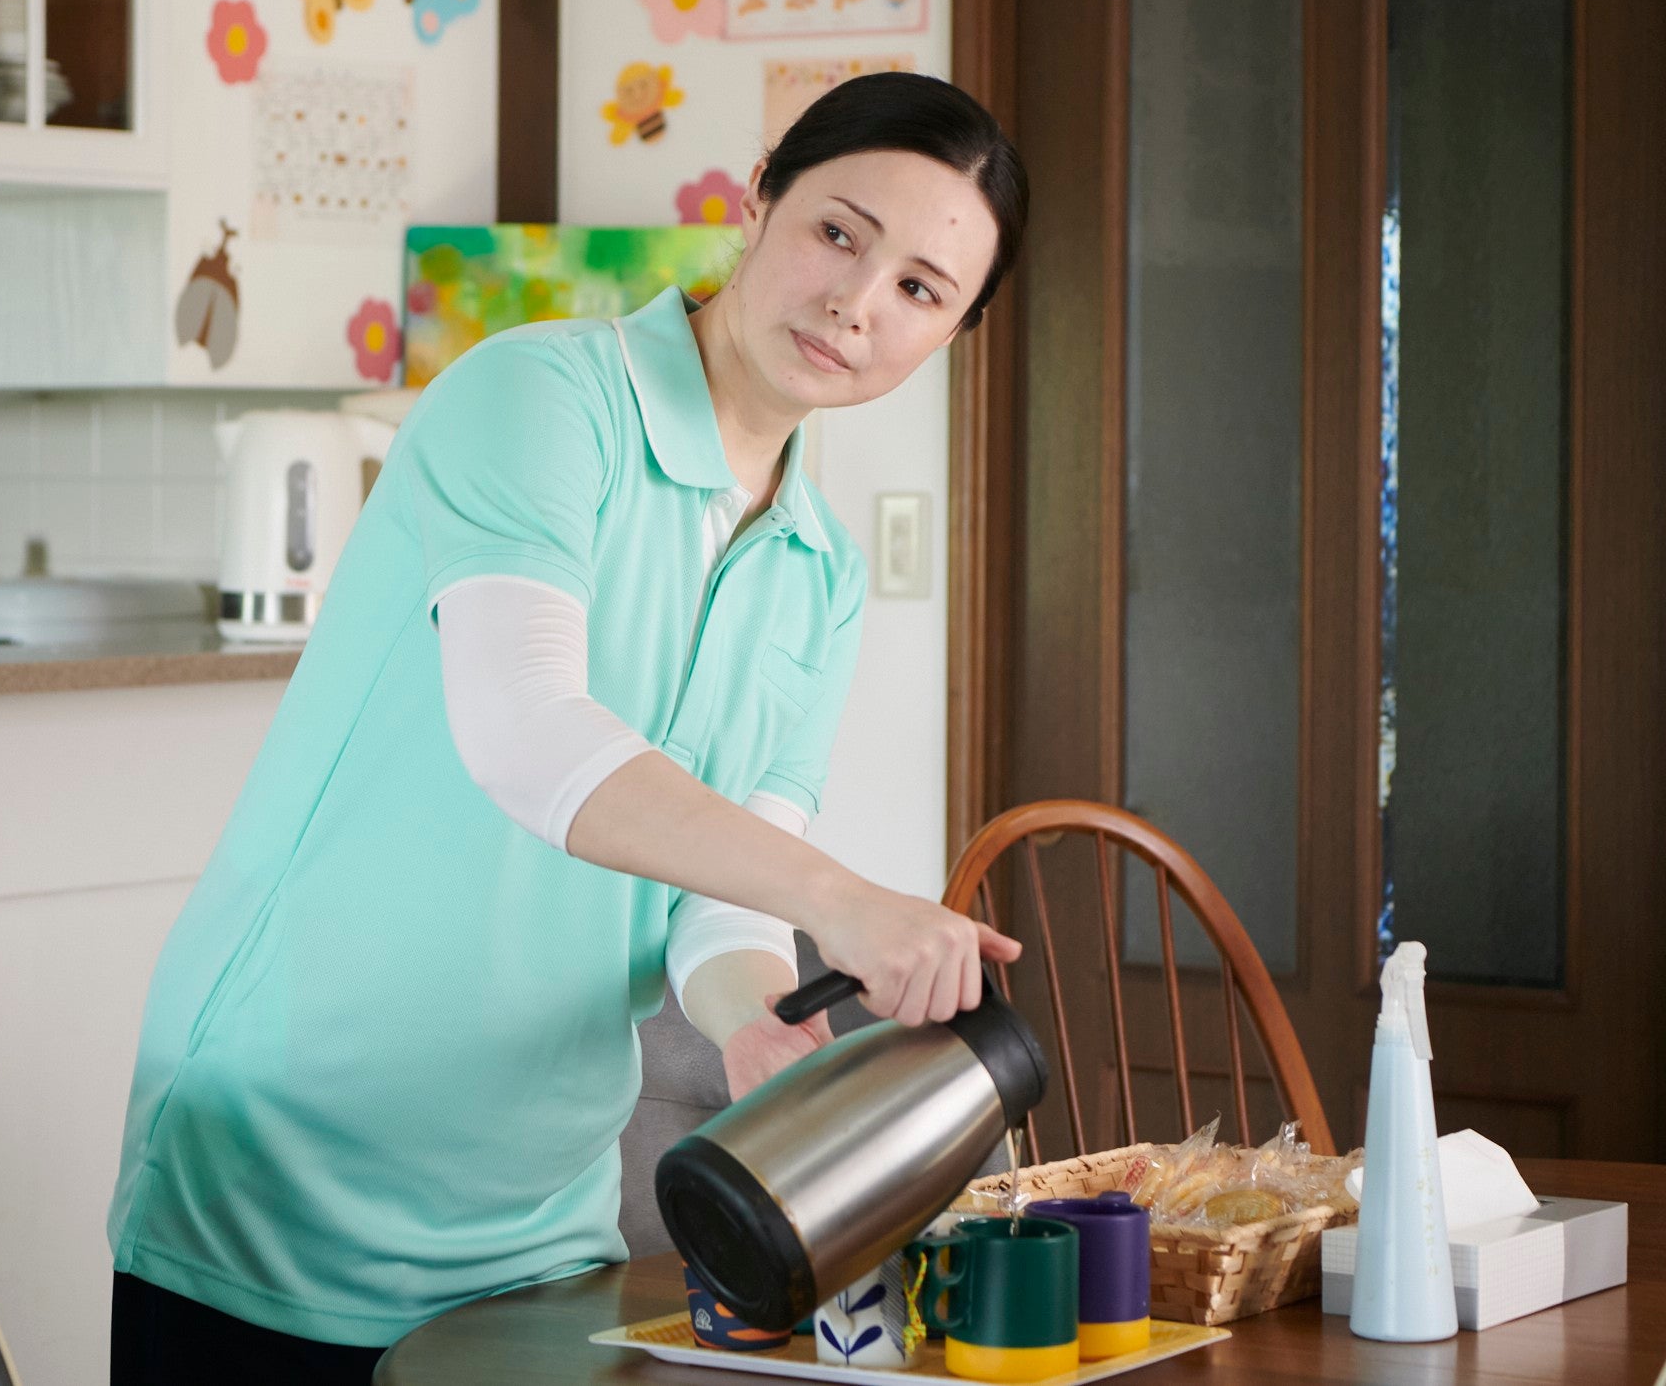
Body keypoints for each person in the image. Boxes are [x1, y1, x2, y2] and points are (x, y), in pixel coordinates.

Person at [108, 72, 1031, 1383]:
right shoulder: (539, 401)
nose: (857, 302)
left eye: (920, 292)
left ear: (950, 335)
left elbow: (719, 897)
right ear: (759, 202)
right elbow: (528, 733)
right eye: (840, 232)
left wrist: (754, 1012)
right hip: (286, 1160)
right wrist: (856, 906)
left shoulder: (817, 571)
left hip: (535, 1215)